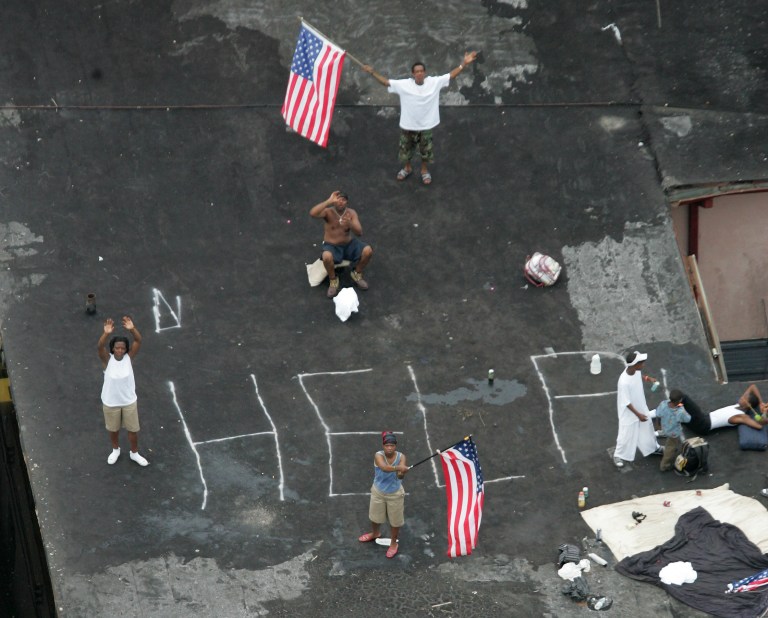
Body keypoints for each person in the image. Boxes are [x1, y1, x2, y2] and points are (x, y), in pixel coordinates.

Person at [362, 51, 478, 185]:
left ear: (425, 73)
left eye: (422, 71)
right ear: (413, 74)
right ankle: (407, 168)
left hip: (426, 125)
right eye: (417, 71)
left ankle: (424, 171)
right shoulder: (404, 84)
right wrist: (372, 72)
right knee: (405, 151)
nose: (419, 73)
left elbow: (451, 75)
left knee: (425, 152)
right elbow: (386, 83)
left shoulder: (434, 82)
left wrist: (464, 63)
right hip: (408, 125)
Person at [97, 316, 149, 466]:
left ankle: (134, 453)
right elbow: (100, 347)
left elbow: (138, 341)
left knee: (133, 430)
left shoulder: (128, 358)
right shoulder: (107, 360)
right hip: (110, 402)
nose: (120, 350)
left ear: (126, 349)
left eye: (122, 348)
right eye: (117, 347)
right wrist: (106, 333)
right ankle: (115, 450)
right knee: (113, 429)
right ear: (112, 348)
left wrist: (132, 329)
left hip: (128, 401)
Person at [310, 190, 373, 298]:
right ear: (334, 201)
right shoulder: (328, 212)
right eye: (338, 199)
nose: (340, 202)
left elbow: (359, 232)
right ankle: (333, 280)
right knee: (327, 256)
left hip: (348, 245)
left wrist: (350, 224)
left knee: (368, 250)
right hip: (332, 245)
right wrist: (328, 201)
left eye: (343, 200)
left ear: (347, 202)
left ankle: (357, 273)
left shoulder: (351, 213)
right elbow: (313, 213)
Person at [358, 431, 409, 559]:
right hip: (378, 491)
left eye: (392, 445)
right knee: (375, 518)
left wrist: (402, 471)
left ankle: (393, 543)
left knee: (395, 521)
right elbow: (384, 467)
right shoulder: (378, 455)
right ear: (383, 445)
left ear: (395, 446)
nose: (390, 448)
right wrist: (399, 467)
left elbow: (400, 476)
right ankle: (375, 533)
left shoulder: (402, 457)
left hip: (395, 493)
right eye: (387, 445)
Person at [613, 351, 663, 468]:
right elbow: (626, 403)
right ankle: (618, 455)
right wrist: (638, 415)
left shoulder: (635, 371)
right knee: (625, 435)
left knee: (648, 429)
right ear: (635, 364)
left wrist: (647, 378)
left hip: (641, 407)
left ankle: (653, 448)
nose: (643, 364)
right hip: (629, 413)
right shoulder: (623, 382)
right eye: (641, 362)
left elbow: (637, 376)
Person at [681, 384, 768, 435]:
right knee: (679, 413)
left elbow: (759, 426)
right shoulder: (739, 404)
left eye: (744, 398)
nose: (742, 397)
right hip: (703, 418)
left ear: (748, 405)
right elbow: (753, 387)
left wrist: (764, 414)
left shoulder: (742, 416)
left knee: (684, 398)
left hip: (703, 425)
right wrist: (761, 402)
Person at [655, 390, 691, 472]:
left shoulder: (664, 404)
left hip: (665, 428)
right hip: (674, 433)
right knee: (670, 448)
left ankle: (672, 448)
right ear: (679, 401)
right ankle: (664, 465)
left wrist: (657, 425)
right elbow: (688, 419)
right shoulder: (679, 411)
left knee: (671, 442)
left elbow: (658, 414)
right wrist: (683, 408)